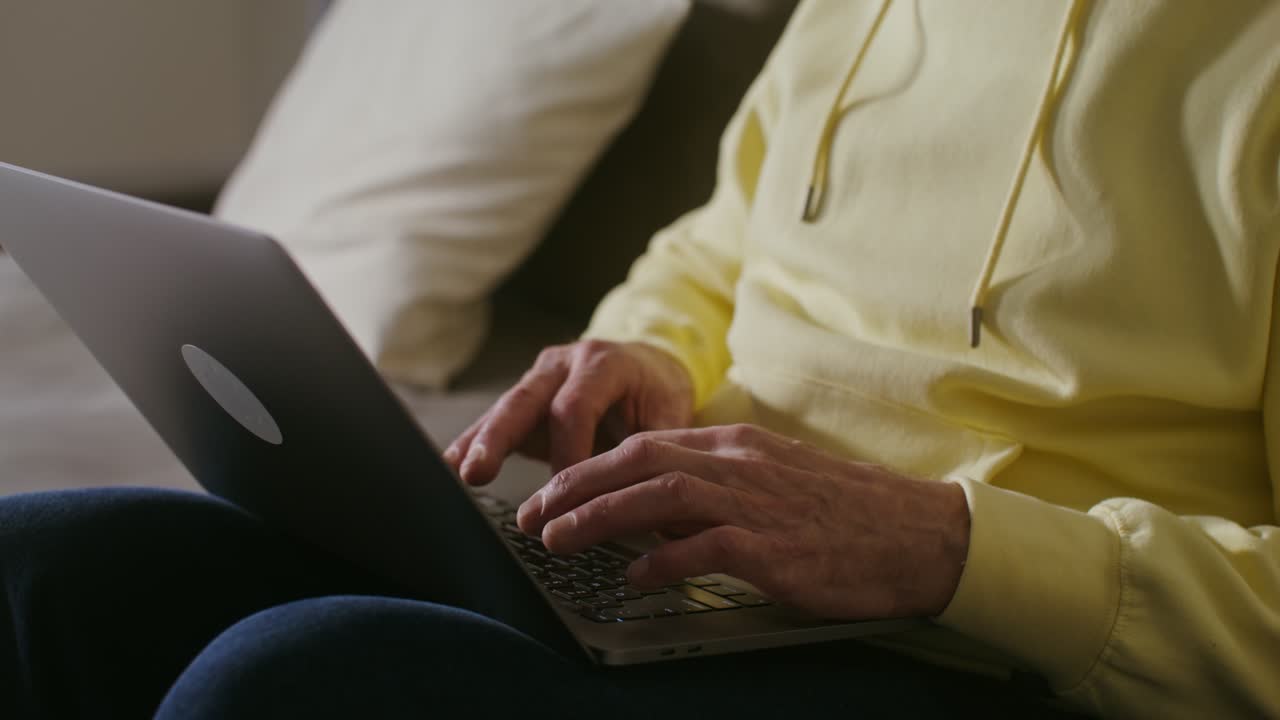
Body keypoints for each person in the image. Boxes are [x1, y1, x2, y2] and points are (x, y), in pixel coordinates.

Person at [3, 1, 1278, 717]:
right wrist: (646, 347)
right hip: (685, 589)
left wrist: (940, 545)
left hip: (976, 659)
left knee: (283, 691)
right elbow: (717, 244)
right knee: (37, 564)